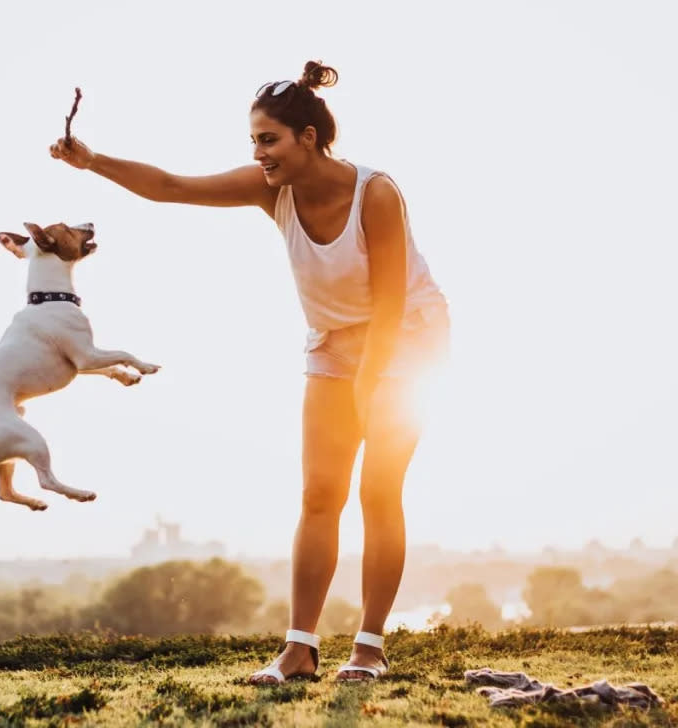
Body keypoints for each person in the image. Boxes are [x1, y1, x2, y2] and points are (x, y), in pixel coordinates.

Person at [49, 60, 449, 683]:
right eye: (254, 142)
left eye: (269, 140)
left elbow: (393, 301)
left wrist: (371, 387)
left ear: (308, 138)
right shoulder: (273, 189)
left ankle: (368, 648)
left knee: (377, 491)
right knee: (320, 494)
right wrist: (91, 160)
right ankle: (299, 648)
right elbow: (170, 186)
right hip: (333, 343)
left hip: (407, 341)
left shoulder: (375, 192)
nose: (260, 154)